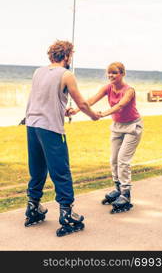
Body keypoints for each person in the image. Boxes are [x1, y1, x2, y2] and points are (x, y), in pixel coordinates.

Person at [25, 40, 100, 236]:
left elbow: (42, 98)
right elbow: (82, 103)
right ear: (66, 56)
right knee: (61, 171)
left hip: (32, 125)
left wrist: (61, 108)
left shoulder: (38, 72)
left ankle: (33, 207)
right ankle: (67, 214)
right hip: (51, 129)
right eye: (70, 56)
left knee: (37, 168)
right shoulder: (67, 75)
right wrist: (93, 115)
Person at [66, 62, 143, 214]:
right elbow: (92, 100)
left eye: (114, 73)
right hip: (117, 126)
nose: (110, 76)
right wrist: (75, 110)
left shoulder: (129, 91)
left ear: (122, 74)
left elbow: (120, 106)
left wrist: (101, 114)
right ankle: (118, 189)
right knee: (113, 159)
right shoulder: (108, 88)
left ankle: (126, 194)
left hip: (132, 127)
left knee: (123, 160)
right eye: (109, 73)